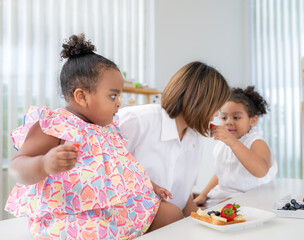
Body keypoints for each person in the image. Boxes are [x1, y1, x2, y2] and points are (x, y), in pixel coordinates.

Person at [5, 34, 182, 240]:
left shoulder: (106, 130)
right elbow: (18, 167)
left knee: (172, 213)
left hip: (111, 210)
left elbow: (124, 168)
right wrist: (44, 164)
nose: (118, 103)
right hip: (72, 215)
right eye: (113, 95)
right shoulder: (54, 124)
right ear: (82, 96)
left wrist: (150, 185)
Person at [117, 61, 231, 217]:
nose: (217, 114)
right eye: (216, 107)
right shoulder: (136, 120)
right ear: (200, 101)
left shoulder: (195, 140)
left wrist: (214, 217)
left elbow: (184, 199)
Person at [194, 86, 278, 207]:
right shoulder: (221, 146)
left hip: (251, 198)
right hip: (224, 197)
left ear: (253, 121)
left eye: (236, 117)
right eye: (224, 117)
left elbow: (261, 170)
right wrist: (203, 194)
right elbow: (222, 173)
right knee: (192, 208)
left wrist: (233, 142)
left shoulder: (256, 142)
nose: (228, 121)